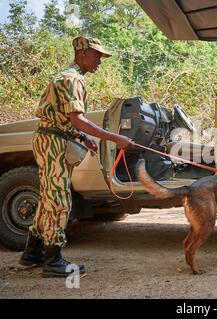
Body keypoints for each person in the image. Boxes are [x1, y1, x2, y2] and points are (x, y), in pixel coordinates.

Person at [19, 36, 135, 277]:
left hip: (55, 139)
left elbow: (67, 120)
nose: (100, 61)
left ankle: (32, 252)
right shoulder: (71, 79)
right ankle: (52, 260)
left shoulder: (70, 77)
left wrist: (83, 138)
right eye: (97, 56)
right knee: (59, 200)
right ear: (82, 53)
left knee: (49, 197)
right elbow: (77, 119)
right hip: (54, 143)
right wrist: (115, 138)